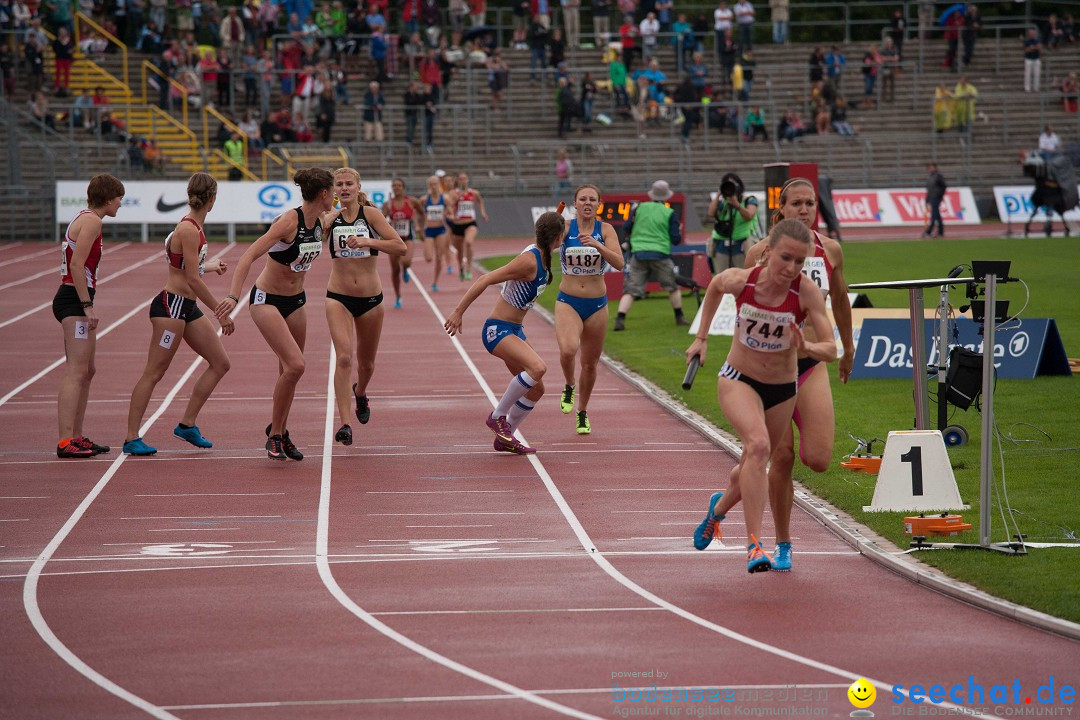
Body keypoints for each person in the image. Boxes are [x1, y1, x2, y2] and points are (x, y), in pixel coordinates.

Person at [692, 179, 854, 573]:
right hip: (758, 373)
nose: (804, 209)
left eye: (810, 203)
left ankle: (721, 505)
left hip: (808, 367)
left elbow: (842, 303)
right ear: (780, 209)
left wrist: (843, 350)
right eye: (796, 203)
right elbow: (742, 298)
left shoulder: (829, 251)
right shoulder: (756, 255)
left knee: (816, 458)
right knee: (771, 454)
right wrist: (708, 341)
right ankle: (780, 544)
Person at [215, 168, 336, 460]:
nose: (334, 196)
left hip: (296, 301)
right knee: (296, 366)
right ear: (322, 194)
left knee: (288, 372)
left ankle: (280, 429)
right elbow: (248, 256)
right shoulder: (287, 222)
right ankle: (276, 435)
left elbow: (335, 216)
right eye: (332, 191)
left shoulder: (321, 219)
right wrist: (234, 295)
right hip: (266, 300)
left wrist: (358, 201)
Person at [122, 174, 234, 456]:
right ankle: (131, 436)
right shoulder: (188, 229)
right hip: (171, 307)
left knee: (220, 363)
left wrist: (210, 266)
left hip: (187, 307)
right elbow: (192, 280)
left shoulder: (194, 227)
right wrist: (220, 312)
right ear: (212, 199)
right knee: (155, 372)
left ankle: (187, 424)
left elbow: (186, 268)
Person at [443, 212, 566, 454]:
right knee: (538, 368)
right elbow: (485, 279)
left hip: (515, 330)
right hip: (497, 331)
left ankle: (505, 436)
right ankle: (497, 415)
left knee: (537, 388)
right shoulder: (529, 261)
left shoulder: (541, 253)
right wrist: (458, 312)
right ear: (558, 237)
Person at [324, 168, 407, 446]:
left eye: (349, 183)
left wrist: (368, 240)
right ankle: (345, 423)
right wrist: (323, 224)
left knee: (366, 363)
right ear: (333, 189)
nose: (344, 188)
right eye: (339, 184)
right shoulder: (329, 218)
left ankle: (360, 392)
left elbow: (400, 247)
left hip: (371, 299)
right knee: (344, 357)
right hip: (338, 296)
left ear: (358, 186)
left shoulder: (370, 215)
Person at [53, 174, 125, 458]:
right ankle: (64, 441)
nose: (120, 203)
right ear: (107, 199)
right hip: (73, 300)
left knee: (87, 370)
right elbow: (76, 263)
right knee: (76, 371)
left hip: (76, 299)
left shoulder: (87, 219)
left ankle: (76, 435)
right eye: (118, 198)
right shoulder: (93, 221)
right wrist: (87, 306)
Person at [554, 184, 625, 435]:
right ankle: (569, 385)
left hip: (596, 305)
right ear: (575, 204)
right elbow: (541, 243)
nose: (587, 203)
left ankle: (582, 412)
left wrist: (598, 246)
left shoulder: (605, 230)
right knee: (567, 350)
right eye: (582, 199)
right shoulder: (565, 228)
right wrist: (549, 228)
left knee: (590, 364)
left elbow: (619, 262)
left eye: (592, 199)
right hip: (568, 301)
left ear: (598, 204)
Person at [613, 180, 690, 331]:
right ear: (666, 196)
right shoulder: (669, 213)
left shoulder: (639, 208)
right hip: (660, 254)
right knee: (672, 287)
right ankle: (679, 317)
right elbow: (676, 240)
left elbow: (626, 227)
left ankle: (620, 319)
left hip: (639, 254)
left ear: (652, 194)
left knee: (631, 290)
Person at [382, 177, 425, 309]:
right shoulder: (388, 204)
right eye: (394, 186)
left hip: (408, 237)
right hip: (393, 240)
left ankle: (406, 269)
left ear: (403, 188)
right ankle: (398, 296)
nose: (396, 188)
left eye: (399, 185)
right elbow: (381, 220)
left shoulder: (412, 201)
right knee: (395, 270)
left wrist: (421, 229)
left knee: (406, 261)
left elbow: (422, 213)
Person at [705, 172, 758, 272]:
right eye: (726, 185)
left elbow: (750, 216)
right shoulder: (722, 203)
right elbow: (710, 213)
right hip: (722, 243)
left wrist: (737, 205)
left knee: (743, 275)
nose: (730, 188)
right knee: (722, 277)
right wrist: (718, 194)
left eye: (732, 185)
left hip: (742, 243)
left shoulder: (749, 200)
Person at [445, 172, 489, 282]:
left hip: (470, 223)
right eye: (460, 179)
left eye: (465, 179)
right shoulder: (452, 193)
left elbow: (480, 201)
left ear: (467, 180)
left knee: (469, 242)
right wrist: (451, 214)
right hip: (458, 225)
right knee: (459, 251)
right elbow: (449, 206)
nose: (463, 181)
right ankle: (461, 268)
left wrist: (483, 212)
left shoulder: (473, 193)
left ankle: (469, 268)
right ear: (457, 181)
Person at [421, 174, 451, 291]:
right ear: (429, 186)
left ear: (439, 185)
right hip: (429, 230)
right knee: (428, 258)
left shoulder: (445, 199)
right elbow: (420, 213)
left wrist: (450, 214)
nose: (434, 186)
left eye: (436, 184)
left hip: (441, 230)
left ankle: (435, 282)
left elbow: (450, 211)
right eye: (431, 184)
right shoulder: (424, 199)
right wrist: (420, 226)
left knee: (439, 257)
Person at [923, 163, 947, 238]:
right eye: (929, 168)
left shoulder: (938, 176)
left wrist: (939, 195)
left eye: (932, 167)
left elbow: (944, 186)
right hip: (932, 198)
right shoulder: (930, 177)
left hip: (936, 198)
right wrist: (927, 199)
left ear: (935, 168)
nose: (930, 169)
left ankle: (928, 232)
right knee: (937, 216)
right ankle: (941, 232)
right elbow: (929, 189)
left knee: (934, 216)